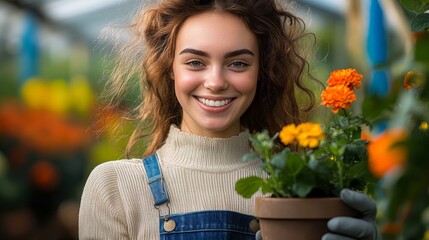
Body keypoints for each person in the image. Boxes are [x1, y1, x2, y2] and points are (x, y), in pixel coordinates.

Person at [79, 0, 379, 239]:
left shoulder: (298, 187)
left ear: (262, 71)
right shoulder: (116, 187)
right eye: (195, 62)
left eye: (238, 63)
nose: (216, 81)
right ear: (170, 68)